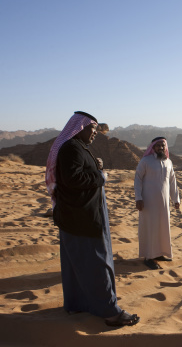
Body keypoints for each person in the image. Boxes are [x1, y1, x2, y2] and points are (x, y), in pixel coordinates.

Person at [45, 111, 139, 327]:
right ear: (80, 128)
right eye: (92, 128)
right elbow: (73, 178)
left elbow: (77, 172)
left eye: (96, 129)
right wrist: (101, 176)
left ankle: (78, 304)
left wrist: (95, 166)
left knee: (77, 263)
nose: (95, 133)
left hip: (77, 216)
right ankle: (110, 312)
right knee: (98, 263)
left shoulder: (77, 148)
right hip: (84, 217)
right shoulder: (71, 149)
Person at [134, 137, 180, 270]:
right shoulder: (145, 161)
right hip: (148, 202)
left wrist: (176, 199)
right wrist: (138, 198)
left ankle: (159, 253)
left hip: (164, 203)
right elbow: (137, 180)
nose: (160, 148)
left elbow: (172, 182)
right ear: (152, 147)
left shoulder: (169, 162)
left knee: (162, 226)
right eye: (158, 145)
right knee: (151, 228)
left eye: (163, 145)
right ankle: (149, 257)